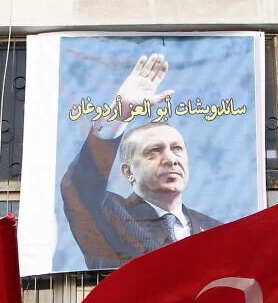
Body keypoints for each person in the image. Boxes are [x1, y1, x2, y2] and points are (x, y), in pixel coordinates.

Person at [60, 54, 222, 270]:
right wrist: (122, 110)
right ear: (128, 172)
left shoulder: (216, 230)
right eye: (155, 151)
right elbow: (79, 187)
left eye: (177, 149)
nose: (171, 159)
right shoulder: (108, 213)